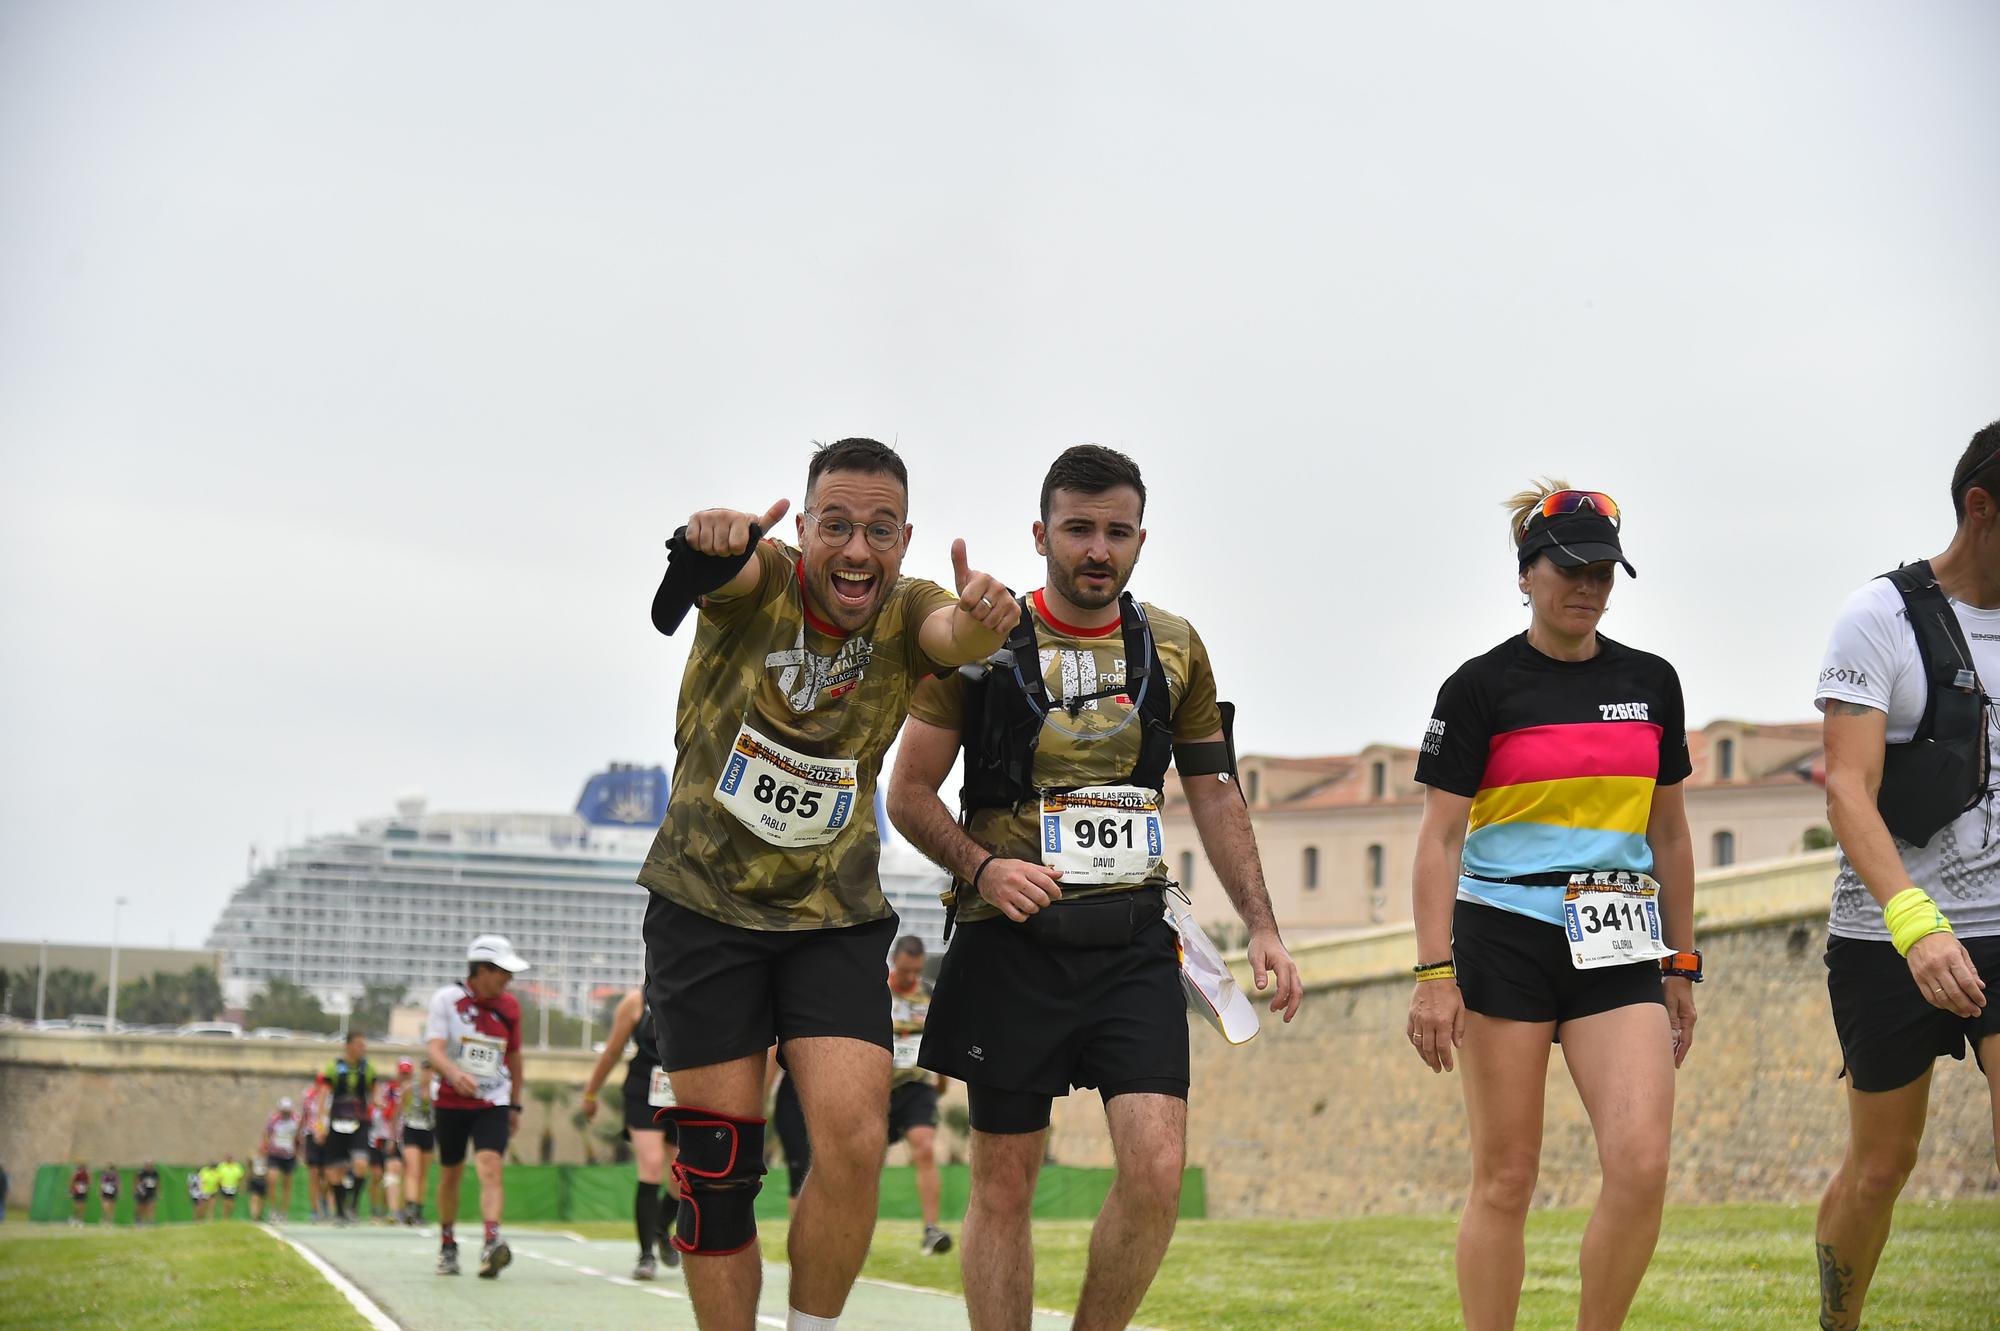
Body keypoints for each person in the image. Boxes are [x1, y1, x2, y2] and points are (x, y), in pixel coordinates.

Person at [889, 445, 1303, 1331]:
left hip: (1130, 941)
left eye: (1117, 532)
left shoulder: (1176, 646)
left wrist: (1262, 925)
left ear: (1141, 539)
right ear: (1042, 533)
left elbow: (1215, 791)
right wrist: (984, 868)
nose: (1097, 550)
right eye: (1079, 529)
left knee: (1155, 1174)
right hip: (1013, 940)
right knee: (1005, 1179)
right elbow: (908, 793)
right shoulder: (980, 644)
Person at [639, 437, 1019, 1331]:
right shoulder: (763, 579)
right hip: (705, 906)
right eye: (837, 526)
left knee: (852, 1141)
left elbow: (950, 634)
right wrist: (717, 544)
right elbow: (718, 580)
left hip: (832, 916)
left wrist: (982, 619)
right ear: (804, 528)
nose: (858, 549)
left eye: (880, 531)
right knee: (719, 1168)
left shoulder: (910, 606)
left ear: (905, 537)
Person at [1405, 482, 1699, 1331]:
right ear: (1525, 574)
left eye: (1604, 571)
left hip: (1619, 942)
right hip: (1505, 940)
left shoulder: (1652, 682)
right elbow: (1439, 840)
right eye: (1569, 568)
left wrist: (1681, 963)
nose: (1589, 586)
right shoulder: (1479, 688)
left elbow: (1672, 836)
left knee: (1641, 1163)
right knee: (1506, 1177)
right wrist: (1434, 973)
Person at [1812, 423, 2000, 1331]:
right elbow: (1846, 786)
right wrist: (1917, 923)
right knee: (1881, 1168)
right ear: (1980, 508)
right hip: (1888, 930)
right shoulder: (1879, 617)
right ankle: (1836, 1323)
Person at [425, 934, 528, 1279]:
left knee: (490, 1165)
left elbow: (514, 1056)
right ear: (481, 970)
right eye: (502, 972)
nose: (508, 980)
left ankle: (490, 1243)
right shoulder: (447, 1000)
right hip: (451, 1102)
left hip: (493, 1100)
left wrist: (514, 1105)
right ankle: (448, 1243)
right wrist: (453, 1073)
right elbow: (434, 1049)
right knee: (451, 1173)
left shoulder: (510, 1007)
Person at [583, 987, 682, 1279]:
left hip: (682, 1091)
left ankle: (661, 1229)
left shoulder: (694, 995)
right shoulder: (635, 1002)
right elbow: (613, 1050)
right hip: (643, 1091)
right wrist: (591, 1094)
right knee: (651, 1165)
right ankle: (645, 1255)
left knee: (681, 1174)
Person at [883, 936, 952, 1255]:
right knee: (866, 1160)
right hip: (876, 1087)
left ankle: (930, 1230)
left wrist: (941, 1080)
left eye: (916, 971)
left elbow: (939, 1036)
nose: (911, 977)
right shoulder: (877, 991)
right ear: (895, 962)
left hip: (916, 1084)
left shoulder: (929, 994)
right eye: (906, 970)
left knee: (924, 1147)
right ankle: (854, 1227)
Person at [312, 1033, 377, 1223]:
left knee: (360, 1164)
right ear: (348, 1046)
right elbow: (323, 1097)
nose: (362, 1049)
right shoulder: (334, 1067)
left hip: (360, 1122)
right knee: (335, 1169)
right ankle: (340, 1210)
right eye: (358, 1045)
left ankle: (353, 1204)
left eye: (363, 1045)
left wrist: (379, 1104)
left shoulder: (368, 1069)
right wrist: (320, 1124)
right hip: (337, 1122)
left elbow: (375, 1093)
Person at [370, 1059, 413, 1223]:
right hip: (388, 1136)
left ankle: (403, 1210)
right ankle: (390, 1211)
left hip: (410, 1136)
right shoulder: (390, 1089)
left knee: (406, 1174)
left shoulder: (415, 1090)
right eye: (402, 1073)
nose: (404, 1076)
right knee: (386, 1173)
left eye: (407, 1073)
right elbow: (384, 1109)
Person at [400, 1060, 436, 1225]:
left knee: (423, 1173)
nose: (427, 1074)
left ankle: (419, 1209)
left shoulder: (436, 1092)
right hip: (411, 1129)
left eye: (430, 1071)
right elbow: (400, 1110)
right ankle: (410, 1207)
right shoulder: (410, 1088)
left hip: (429, 1131)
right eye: (425, 1070)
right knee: (413, 1169)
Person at [262, 1095, 302, 1222]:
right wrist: (267, 1147)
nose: (285, 1113)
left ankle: (284, 1212)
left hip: (289, 1156)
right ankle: (273, 1209)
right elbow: (266, 1134)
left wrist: (298, 1151)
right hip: (274, 1155)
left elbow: (300, 1137)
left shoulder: (296, 1120)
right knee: (272, 1180)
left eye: (287, 1111)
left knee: (286, 1184)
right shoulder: (273, 1120)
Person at [216, 1154, 245, 1221]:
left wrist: (241, 1187)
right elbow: (218, 1177)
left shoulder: (237, 1166)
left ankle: (228, 1216)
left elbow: (240, 1177)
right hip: (224, 1186)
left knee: (231, 1203)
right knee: (225, 1202)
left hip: (233, 1187)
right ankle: (224, 1217)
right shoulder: (221, 1166)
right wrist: (218, 1187)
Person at [247, 1156, 269, 1222]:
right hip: (255, 1178)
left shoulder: (267, 1158)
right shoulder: (253, 1157)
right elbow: (250, 1167)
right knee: (254, 1198)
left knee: (261, 1199)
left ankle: (259, 1215)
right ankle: (254, 1216)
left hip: (263, 1179)